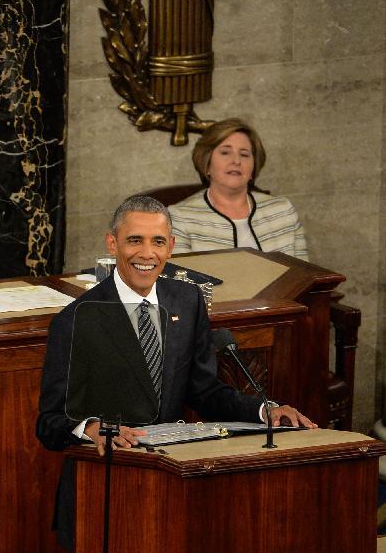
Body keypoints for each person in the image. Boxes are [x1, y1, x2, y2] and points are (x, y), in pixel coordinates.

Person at [35, 195, 315, 551]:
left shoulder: (187, 300)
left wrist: (263, 411)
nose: (146, 253)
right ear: (112, 243)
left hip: (169, 485)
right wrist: (90, 428)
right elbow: (49, 423)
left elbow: (205, 392)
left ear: (172, 247)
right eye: (135, 240)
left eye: (158, 241)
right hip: (103, 492)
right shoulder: (75, 319)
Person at [168, 117, 308, 259]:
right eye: (225, 152)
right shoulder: (180, 217)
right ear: (207, 163)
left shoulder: (283, 211)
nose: (236, 161)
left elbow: (305, 275)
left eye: (244, 154)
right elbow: (180, 279)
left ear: (253, 168)